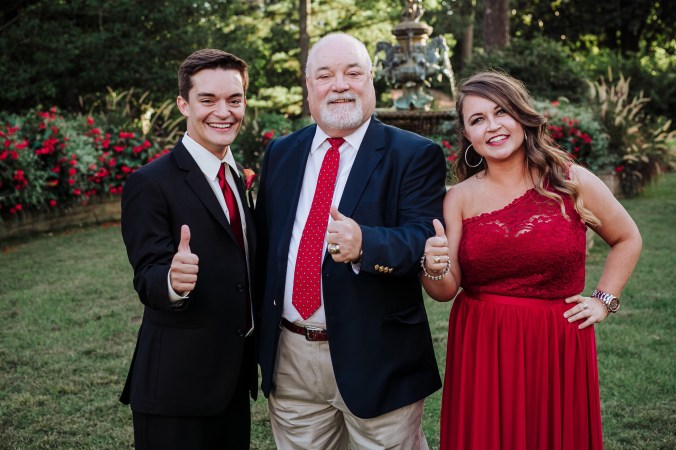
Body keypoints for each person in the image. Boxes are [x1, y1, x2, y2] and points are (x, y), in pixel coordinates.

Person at [421, 71, 642, 450]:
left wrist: (604, 300)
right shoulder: (458, 198)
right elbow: (444, 291)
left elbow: (627, 238)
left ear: (521, 116)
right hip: (484, 344)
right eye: (477, 119)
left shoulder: (571, 181)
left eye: (501, 112)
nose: (492, 126)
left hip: (557, 342)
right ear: (468, 135)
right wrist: (433, 266)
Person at [254, 33, 446, 449]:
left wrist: (366, 244)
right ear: (309, 87)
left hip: (378, 356)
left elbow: (424, 237)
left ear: (371, 79)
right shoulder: (281, 153)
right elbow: (265, 243)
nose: (339, 85)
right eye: (325, 75)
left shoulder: (414, 154)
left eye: (352, 73)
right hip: (290, 356)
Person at [119, 49, 256, 450]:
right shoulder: (150, 183)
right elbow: (147, 276)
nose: (223, 112)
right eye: (207, 100)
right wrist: (172, 281)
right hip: (176, 389)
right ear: (184, 104)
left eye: (234, 99)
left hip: (233, 383)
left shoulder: (236, 174)